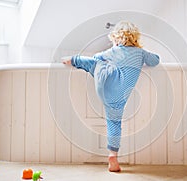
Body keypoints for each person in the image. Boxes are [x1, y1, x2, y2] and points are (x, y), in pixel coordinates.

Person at [63, 21, 160, 172]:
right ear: (134, 39)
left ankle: (73, 60)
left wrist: (113, 51)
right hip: (119, 97)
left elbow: (97, 56)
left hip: (104, 85)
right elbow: (156, 61)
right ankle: (112, 155)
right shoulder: (141, 54)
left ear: (117, 38)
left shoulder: (114, 51)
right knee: (114, 123)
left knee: (94, 64)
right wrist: (142, 55)